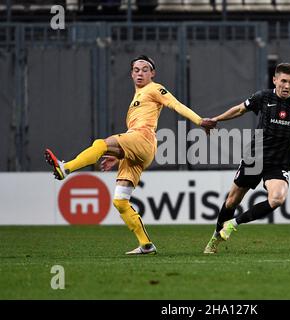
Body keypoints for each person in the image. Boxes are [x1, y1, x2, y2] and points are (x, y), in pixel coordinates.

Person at [45, 55, 216, 255]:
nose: (140, 73)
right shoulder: (137, 98)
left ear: (153, 73)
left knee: (100, 144)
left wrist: (199, 121)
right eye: (136, 70)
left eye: (145, 69)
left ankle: (66, 168)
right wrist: (117, 156)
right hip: (136, 148)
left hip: (143, 139)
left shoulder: (154, 89)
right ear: (131, 74)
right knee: (120, 200)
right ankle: (146, 244)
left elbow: (175, 104)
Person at [203, 62, 290, 254]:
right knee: (231, 201)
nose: (287, 86)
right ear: (275, 80)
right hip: (255, 158)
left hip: (279, 163)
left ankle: (233, 223)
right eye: (283, 81)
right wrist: (216, 119)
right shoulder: (263, 97)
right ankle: (215, 238)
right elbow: (239, 109)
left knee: (277, 199)